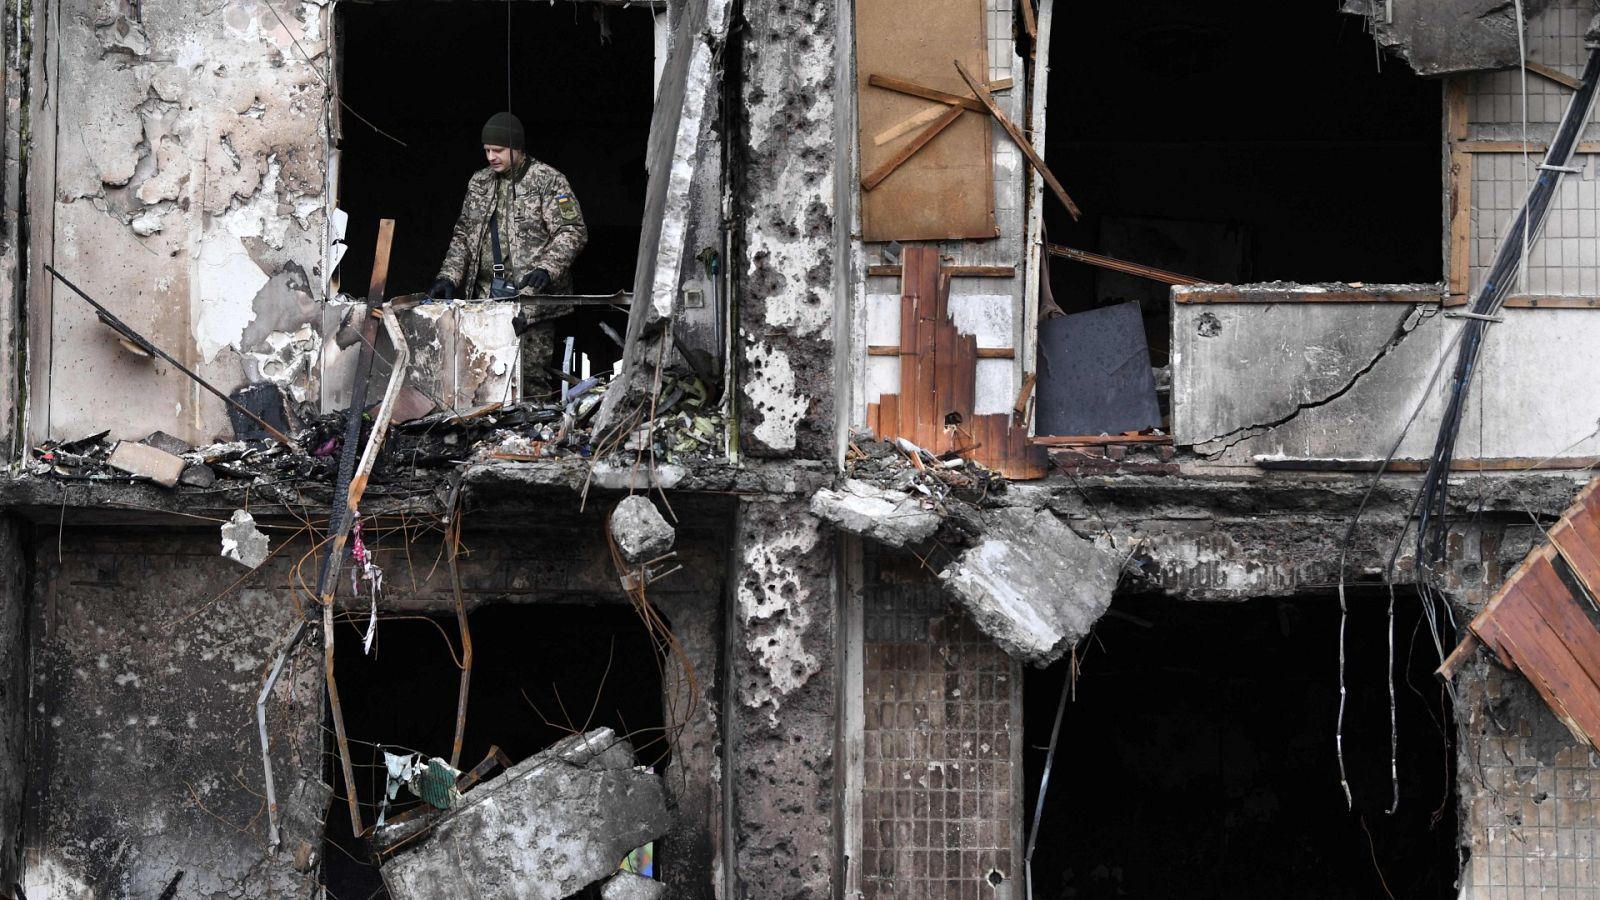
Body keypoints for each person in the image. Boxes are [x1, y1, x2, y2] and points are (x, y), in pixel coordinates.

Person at [427, 112, 587, 399]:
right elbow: (463, 235)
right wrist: (448, 276)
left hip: (531, 303)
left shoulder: (548, 181)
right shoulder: (479, 183)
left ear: (517, 148)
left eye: (498, 150)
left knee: (528, 383)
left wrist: (548, 269)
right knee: (480, 382)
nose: (491, 156)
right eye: (487, 150)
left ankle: (530, 441)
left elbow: (572, 231)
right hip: (485, 300)